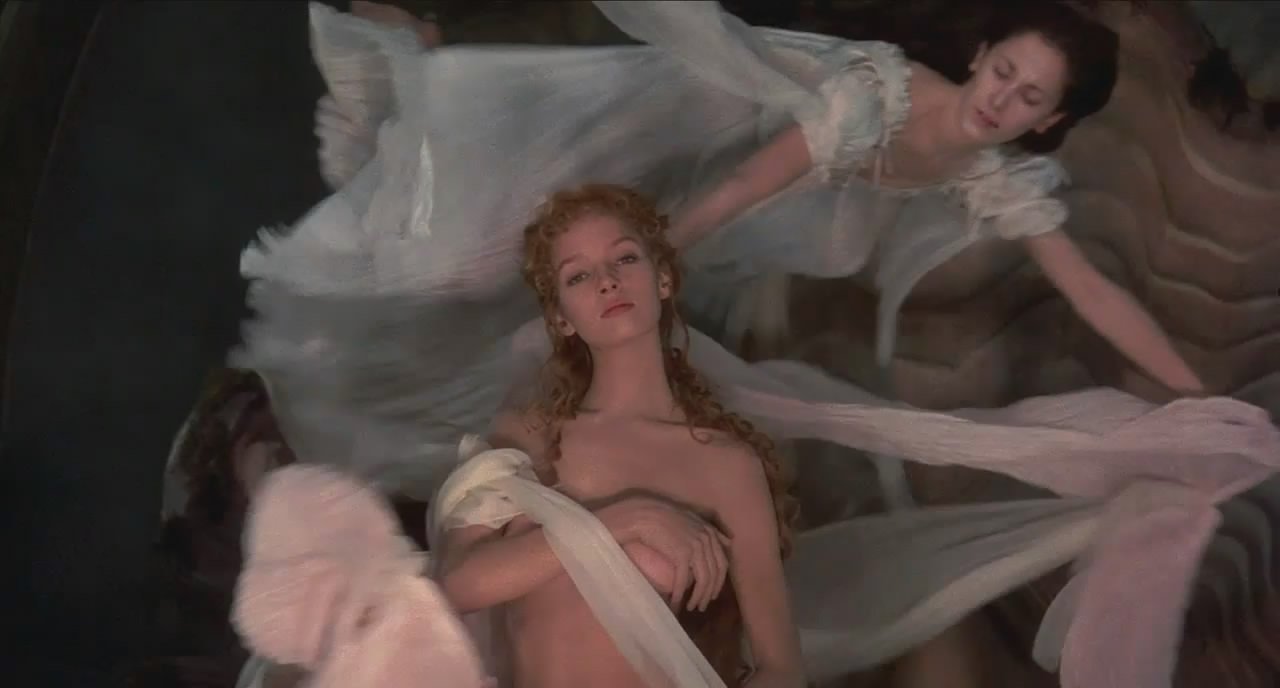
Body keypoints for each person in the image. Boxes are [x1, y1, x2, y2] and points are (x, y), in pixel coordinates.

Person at [229, 3, 1280, 687]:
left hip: (751, 243)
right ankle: (417, 86)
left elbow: (1093, 289)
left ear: (1045, 121)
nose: (999, 101)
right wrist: (637, 268)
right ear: (978, 56)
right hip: (703, 166)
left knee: (609, 331)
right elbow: (732, 189)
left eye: (1026, 99)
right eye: (1000, 72)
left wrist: (1200, 397)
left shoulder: (996, 174)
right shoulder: (871, 99)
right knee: (465, 261)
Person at [434, 184, 803, 687]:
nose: (607, 281)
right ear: (561, 318)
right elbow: (457, 585)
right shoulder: (528, 435)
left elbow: (782, 670)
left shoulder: (727, 465)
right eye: (579, 275)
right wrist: (629, 519)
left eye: (625, 258)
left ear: (663, 278)